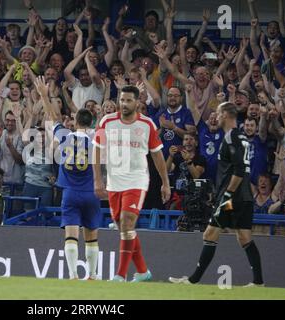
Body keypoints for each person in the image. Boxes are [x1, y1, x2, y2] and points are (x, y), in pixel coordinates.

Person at [169, 102, 264, 287]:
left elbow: (238, 171)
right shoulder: (240, 136)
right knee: (244, 237)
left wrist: (226, 195)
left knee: (210, 233)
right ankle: (259, 282)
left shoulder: (232, 137)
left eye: (219, 113)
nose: (216, 116)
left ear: (227, 115)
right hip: (244, 197)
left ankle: (192, 280)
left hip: (232, 199)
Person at [93, 85, 171, 282]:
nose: (124, 104)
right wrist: (97, 179)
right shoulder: (107, 121)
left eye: (128, 100)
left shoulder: (147, 125)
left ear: (138, 102)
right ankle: (143, 271)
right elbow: (97, 150)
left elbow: (157, 155)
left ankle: (120, 275)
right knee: (123, 227)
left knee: (127, 224)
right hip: (114, 181)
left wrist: (165, 182)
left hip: (137, 180)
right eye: (122, 100)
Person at [56, 109, 101, 280]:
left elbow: (54, 117)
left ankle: (73, 274)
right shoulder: (96, 141)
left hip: (70, 193)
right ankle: (92, 274)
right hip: (91, 192)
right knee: (91, 237)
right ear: (91, 123)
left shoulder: (64, 137)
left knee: (71, 235)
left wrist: (45, 96)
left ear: (75, 122)